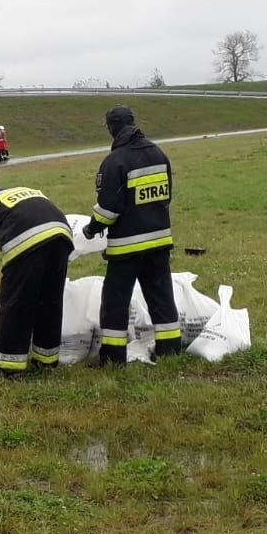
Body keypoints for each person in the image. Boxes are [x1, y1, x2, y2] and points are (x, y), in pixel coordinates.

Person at [84, 106, 182, 365]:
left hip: (126, 249)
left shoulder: (115, 161)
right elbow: (166, 196)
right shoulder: (158, 153)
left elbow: (108, 210)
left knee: (116, 302)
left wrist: (90, 228)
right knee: (161, 297)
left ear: (112, 128)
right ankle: (171, 350)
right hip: (159, 242)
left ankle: (113, 358)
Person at [0, 182, 75, 376]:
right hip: (61, 235)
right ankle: (46, 361)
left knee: (16, 304)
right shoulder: (18, 191)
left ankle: (11, 367)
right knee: (50, 301)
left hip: (25, 240)